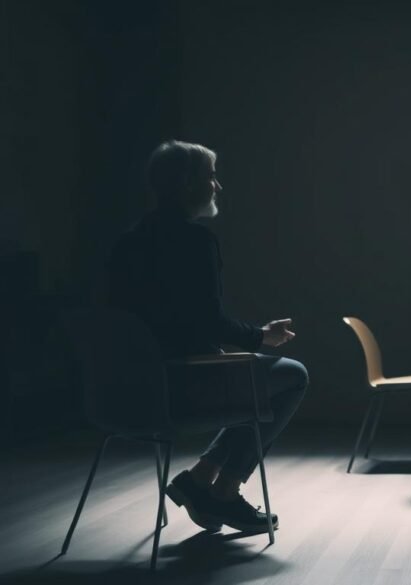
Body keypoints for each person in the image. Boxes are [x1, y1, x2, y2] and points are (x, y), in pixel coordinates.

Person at [108, 140, 308, 534]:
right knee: (293, 375)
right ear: (188, 185)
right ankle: (223, 490)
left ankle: (200, 479)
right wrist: (260, 337)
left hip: (129, 390)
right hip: (184, 385)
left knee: (253, 383)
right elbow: (208, 322)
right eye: (211, 177)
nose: (217, 186)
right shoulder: (194, 241)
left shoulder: (128, 242)